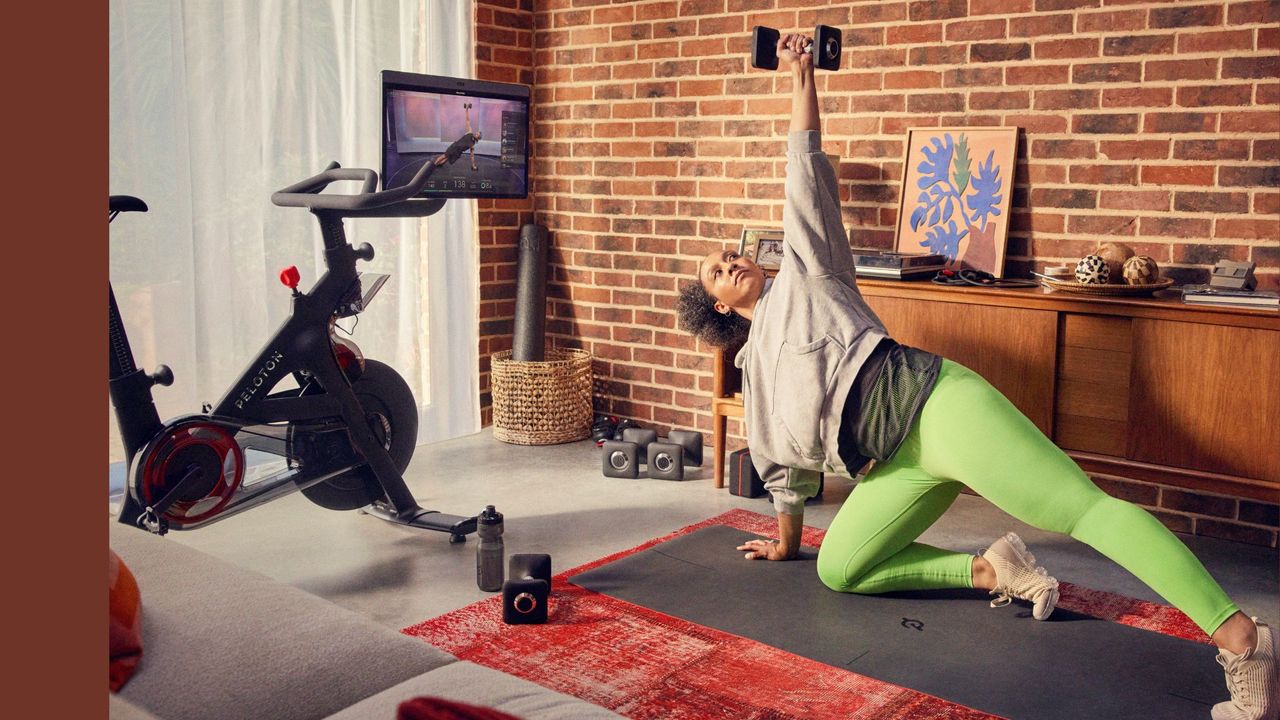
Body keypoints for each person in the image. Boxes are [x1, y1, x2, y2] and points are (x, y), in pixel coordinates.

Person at [675, 32, 1278, 720]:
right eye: (718, 270)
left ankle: (1244, 639)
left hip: (936, 407)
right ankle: (995, 568)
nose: (731, 261)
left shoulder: (809, 275)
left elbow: (804, 176)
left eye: (731, 252)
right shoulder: (754, 375)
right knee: (840, 568)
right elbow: (786, 470)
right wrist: (786, 543)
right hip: (891, 465)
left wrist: (801, 76)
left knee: (1081, 509)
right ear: (721, 307)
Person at [434, 101, 482, 171]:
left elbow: (472, 156)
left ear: (478, 138)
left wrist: (473, 165)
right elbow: (467, 120)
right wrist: (467, 109)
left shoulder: (472, 145)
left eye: (477, 134)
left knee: (447, 159)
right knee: (444, 156)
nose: (476, 133)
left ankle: (438, 165)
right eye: (477, 133)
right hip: (454, 147)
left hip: (458, 152)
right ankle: (433, 165)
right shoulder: (470, 132)